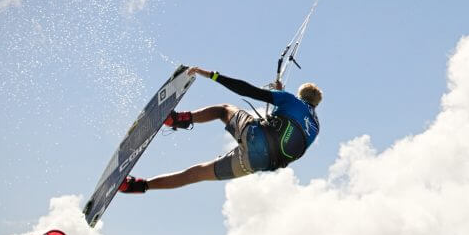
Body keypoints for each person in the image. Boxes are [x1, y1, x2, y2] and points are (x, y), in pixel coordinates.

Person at [118, 66, 321, 193]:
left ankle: (176, 119)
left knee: (222, 110)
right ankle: (138, 185)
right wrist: (280, 94)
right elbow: (289, 127)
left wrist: (213, 76)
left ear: (300, 94)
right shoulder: (315, 126)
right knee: (195, 174)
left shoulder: (291, 100)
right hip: (258, 163)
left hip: (256, 139)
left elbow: (248, 90)